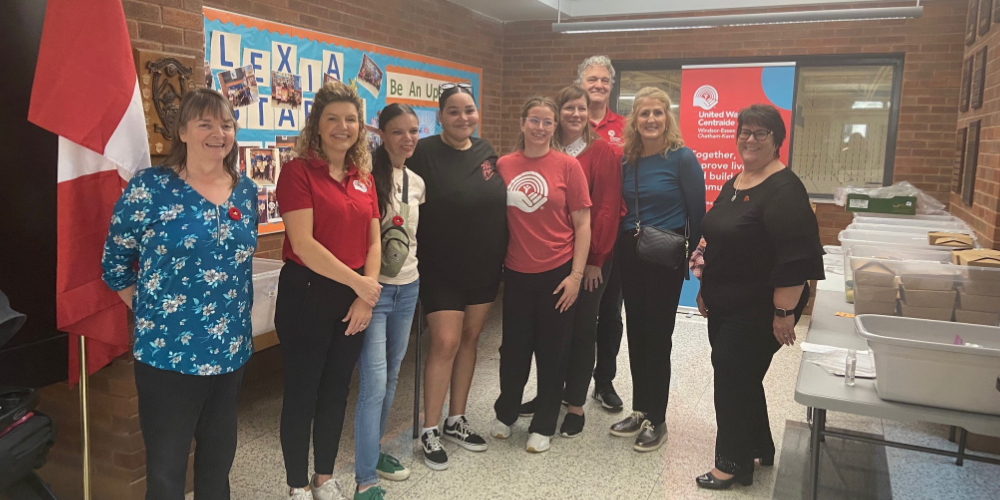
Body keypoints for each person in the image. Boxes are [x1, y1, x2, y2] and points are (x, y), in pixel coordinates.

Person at [101, 88, 258, 500]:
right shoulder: (150, 188)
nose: (218, 132)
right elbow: (115, 265)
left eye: (226, 123)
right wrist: (152, 311)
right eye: (205, 123)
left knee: (217, 465)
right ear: (182, 131)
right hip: (167, 358)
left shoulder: (246, 191)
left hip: (230, 353)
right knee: (168, 472)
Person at [695, 104, 825, 490]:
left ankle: (731, 464)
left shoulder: (785, 189)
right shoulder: (736, 181)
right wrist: (705, 287)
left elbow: (796, 258)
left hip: (760, 306)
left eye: (760, 133)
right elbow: (717, 239)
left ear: (777, 141)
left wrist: (784, 312)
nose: (750, 140)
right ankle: (760, 447)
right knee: (742, 376)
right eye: (744, 132)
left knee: (733, 380)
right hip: (725, 300)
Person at [273, 81, 382, 500]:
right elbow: (303, 244)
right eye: (332, 119)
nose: (342, 126)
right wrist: (361, 285)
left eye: (350, 119)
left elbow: (374, 243)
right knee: (303, 390)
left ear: (360, 127)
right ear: (317, 125)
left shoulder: (363, 178)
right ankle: (297, 484)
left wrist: (363, 296)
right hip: (307, 293)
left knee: (337, 390)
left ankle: (324, 476)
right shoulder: (298, 171)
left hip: (353, 299)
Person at [406, 83, 507, 470]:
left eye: (469, 110)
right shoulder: (424, 153)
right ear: (440, 116)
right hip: (439, 267)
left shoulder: (486, 153)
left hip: (483, 266)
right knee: (445, 342)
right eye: (454, 111)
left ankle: (455, 419)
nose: (463, 118)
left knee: (469, 339)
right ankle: (429, 427)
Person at [517, 85, 622, 438]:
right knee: (550, 334)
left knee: (580, 332)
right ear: (557, 113)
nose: (576, 115)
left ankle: (575, 404)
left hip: (589, 260)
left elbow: (607, 210)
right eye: (569, 109)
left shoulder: (601, 151)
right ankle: (549, 395)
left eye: (581, 108)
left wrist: (595, 261)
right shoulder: (543, 150)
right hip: (550, 258)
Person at [491, 96, 591, 453]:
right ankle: (505, 414)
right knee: (513, 351)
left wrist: (576, 277)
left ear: (555, 127)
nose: (541, 128)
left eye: (548, 122)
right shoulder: (503, 165)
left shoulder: (568, 166)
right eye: (534, 120)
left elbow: (583, 223)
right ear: (522, 123)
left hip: (557, 274)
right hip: (516, 274)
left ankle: (544, 424)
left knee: (553, 352)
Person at [610, 86, 705, 452]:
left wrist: (688, 258)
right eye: (644, 113)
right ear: (634, 120)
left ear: (668, 118)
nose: (651, 119)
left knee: (658, 338)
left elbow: (698, 216)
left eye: (658, 113)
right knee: (636, 334)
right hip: (629, 255)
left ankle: (657, 418)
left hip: (663, 258)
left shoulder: (681, 158)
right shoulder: (626, 159)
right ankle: (639, 408)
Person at [352, 103, 425, 500]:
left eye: (413, 131)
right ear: (381, 134)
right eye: (399, 131)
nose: (408, 138)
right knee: (374, 382)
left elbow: (412, 239)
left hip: (408, 287)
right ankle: (366, 479)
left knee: (393, 375)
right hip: (374, 291)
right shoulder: (365, 178)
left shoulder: (416, 181)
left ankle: (375, 451)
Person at [576, 55, 626, 412]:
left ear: (611, 85)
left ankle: (603, 381)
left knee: (609, 313)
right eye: (591, 79)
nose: (598, 85)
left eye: (604, 80)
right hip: (570, 238)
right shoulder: (569, 126)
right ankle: (565, 380)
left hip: (615, 236)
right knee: (570, 315)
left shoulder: (625, 127)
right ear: (581, 83)